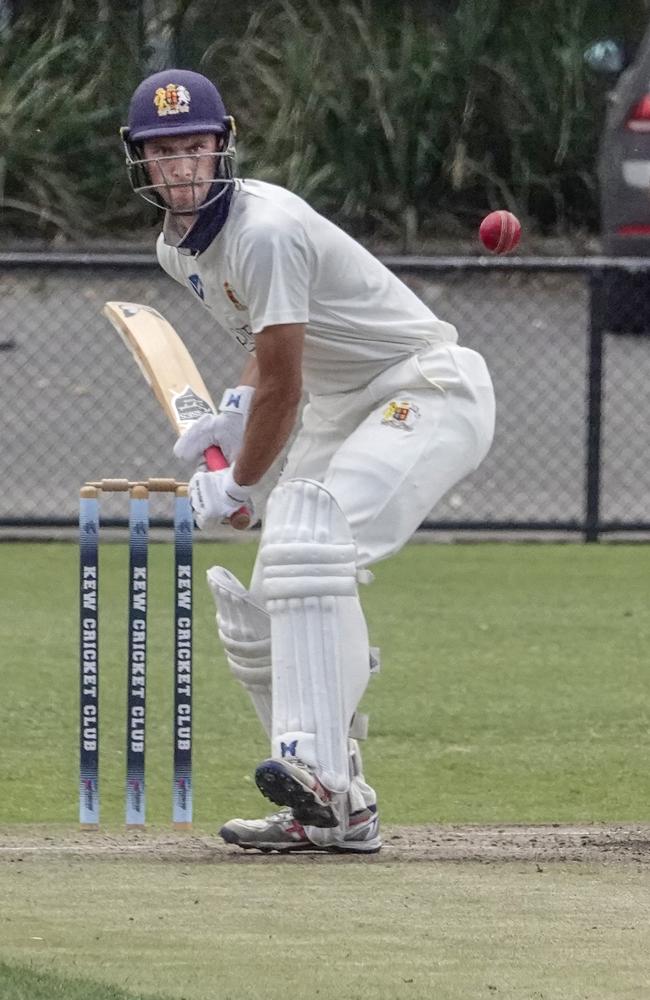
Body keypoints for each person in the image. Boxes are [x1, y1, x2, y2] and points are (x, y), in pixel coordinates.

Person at [121, 69, 496, 854]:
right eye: (165, 153)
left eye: (195, 147)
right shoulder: (174, 249)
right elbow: (270, 356)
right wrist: (232, 409)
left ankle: (316, 771)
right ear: (142, 162)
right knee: (266, 605)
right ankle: (336, 806)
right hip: (342, 404)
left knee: (310, 546)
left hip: (424, 390)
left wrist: (240, 481)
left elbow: (284, 383)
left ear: (221, 148)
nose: (182, 166)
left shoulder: (264, 228)